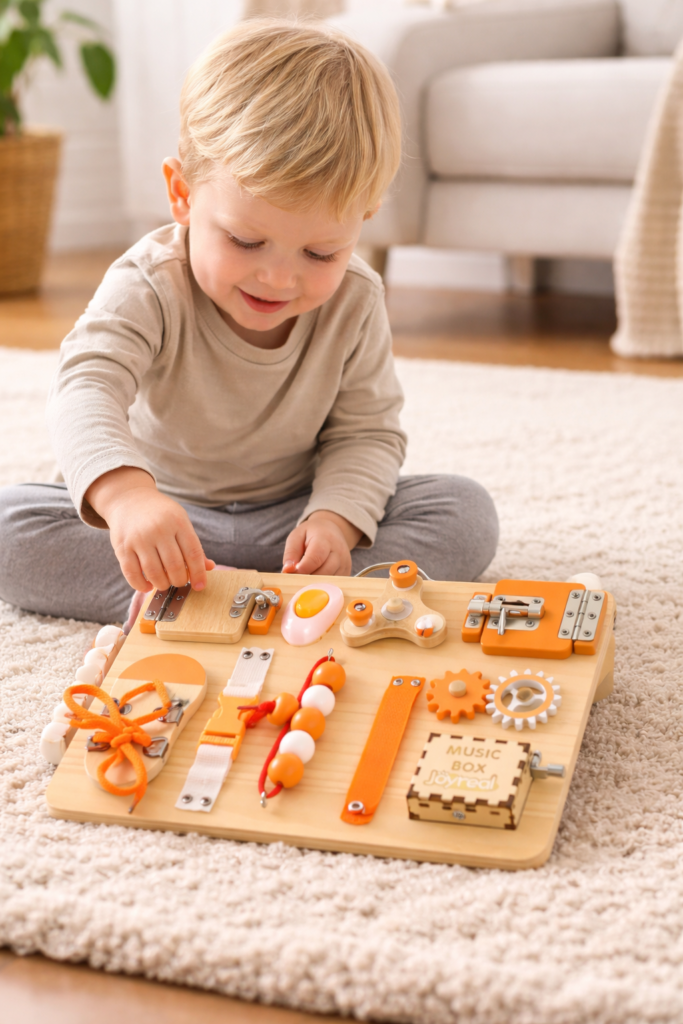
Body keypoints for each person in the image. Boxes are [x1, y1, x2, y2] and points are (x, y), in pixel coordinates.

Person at [0, 19, 498, 627]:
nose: (278, 279)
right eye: (245, 240)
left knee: (465, 512)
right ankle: (197, 591)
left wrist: (335, 520)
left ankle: (214, 599)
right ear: (182, 195)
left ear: (364, 220)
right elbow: (85, 386)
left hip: (291, 520)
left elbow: (366, 434)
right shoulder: (148, 284)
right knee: (10, 525)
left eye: (320, 254)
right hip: (167, 516)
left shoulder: (357, 300)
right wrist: (129, 498)